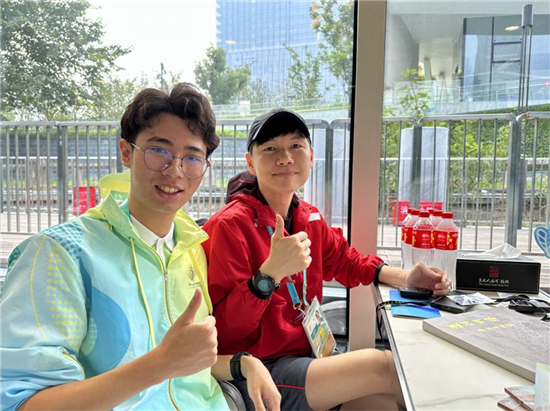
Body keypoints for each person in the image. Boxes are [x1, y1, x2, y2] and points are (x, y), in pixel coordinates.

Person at [0, 84, 280, 411]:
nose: (174, 170)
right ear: (126, 152)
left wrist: (242, 364)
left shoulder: (190, 247)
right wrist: (158, 365)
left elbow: (184, 363)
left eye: (191, 158)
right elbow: (22, 402)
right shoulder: (60, 254)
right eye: (159, 151)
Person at [202, 108, 451, 410]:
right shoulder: (230, 226)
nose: (285, 157)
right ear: (251, 163)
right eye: (270, 149)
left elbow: (347, 261)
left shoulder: (308, 216)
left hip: (306, 355)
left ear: (311, 156)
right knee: (384, 367)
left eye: (296, 146)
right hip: (258, 369)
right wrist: (266, 278)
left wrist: (406, 277)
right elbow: (223, 333)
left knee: (383, 400)